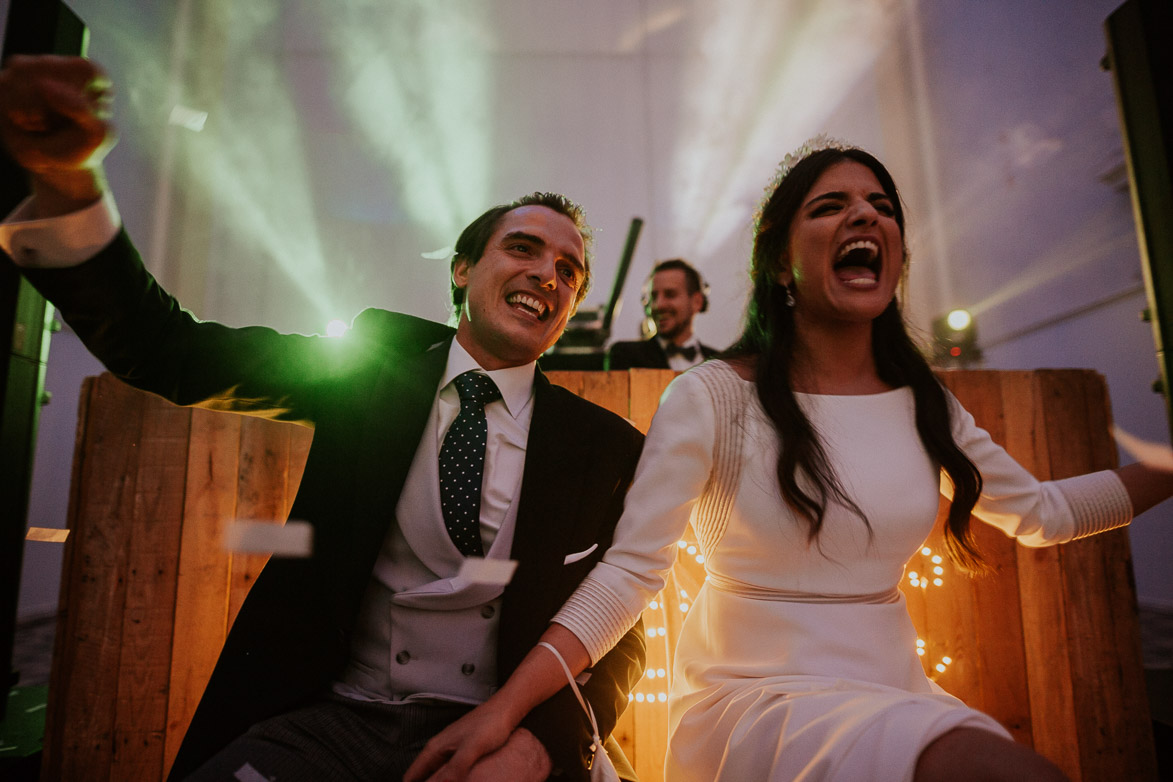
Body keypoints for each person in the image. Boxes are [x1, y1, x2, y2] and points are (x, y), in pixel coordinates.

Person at [405, 139, 1173, 782]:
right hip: (754, 705)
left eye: (879, 204)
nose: (864, 214)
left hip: (901, 692)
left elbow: (1043, 515)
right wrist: (507, 710)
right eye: (829, 205)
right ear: (778, 261)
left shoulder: (924, 402)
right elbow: (629, 574)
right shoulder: (710, 397)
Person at [0, 54, 647, 782]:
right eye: (523, 248)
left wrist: (543, 746)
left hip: (498, 739)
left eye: (569, 271)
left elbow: (621, 634)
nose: (546, 275)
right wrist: (69, 185)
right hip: (332, 723)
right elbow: (168, 351)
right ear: (462, 270)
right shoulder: (371, 371)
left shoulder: (604, 449)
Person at [606, 258, 719, 370]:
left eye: (670, 295)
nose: (658, 305)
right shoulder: (626, 355)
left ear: (697, 302)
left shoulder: (720, 363)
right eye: (653, 297)